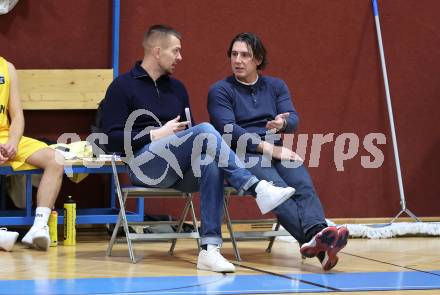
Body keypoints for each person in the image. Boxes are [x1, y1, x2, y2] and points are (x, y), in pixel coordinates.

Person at [101, 25, 297, 273]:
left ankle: (209, 249)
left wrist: (179, 136)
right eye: (176, 51)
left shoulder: (178, 88)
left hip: (179, 167)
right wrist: (155, 134)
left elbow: (192, 134)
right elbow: (109, 139)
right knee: (205, 129)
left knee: (209, 160)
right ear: (157, 51)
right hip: (143, 164)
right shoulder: (121, 87)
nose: (180, 57)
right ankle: (256, 187)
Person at [207, 32, 349, 271]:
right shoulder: (220, 90)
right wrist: (269, 148)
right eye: (234, 54)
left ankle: (318, 238)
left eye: (245, 55)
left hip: (276, 149)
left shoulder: (275, 86)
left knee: (303, 185)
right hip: (242, 153)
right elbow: (228, 130)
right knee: (279, 192)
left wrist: (283, 124)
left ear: (258, 60)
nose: (238, 60)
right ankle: (318, 242)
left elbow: (293, 118)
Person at [0, 56, 64, 251]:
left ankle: (38, 226)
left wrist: (12, 142)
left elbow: (17, 116)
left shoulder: (7, 67)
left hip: (4, 136)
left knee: (56, 159)